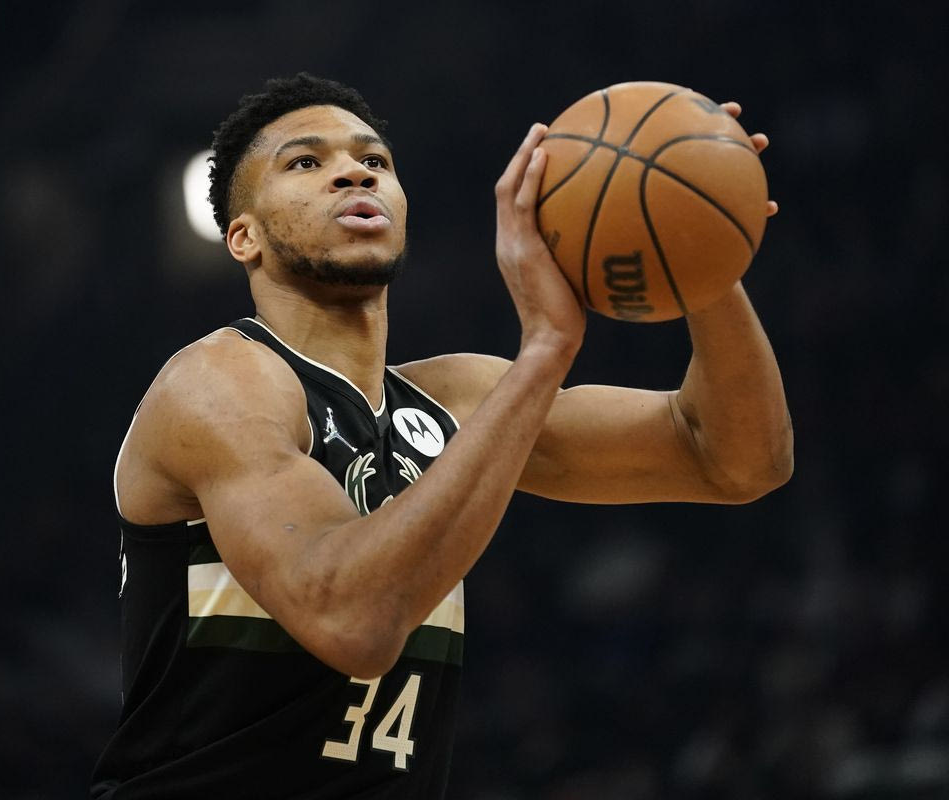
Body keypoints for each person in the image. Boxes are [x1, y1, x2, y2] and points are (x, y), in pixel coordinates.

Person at [89, 73, 792, 799]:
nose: (354, 171)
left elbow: (733, 459)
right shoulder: (219, 384)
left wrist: (700, 237)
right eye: (305, 162)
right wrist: (546, 348)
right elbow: (352, 620)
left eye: (375, 160)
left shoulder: (458, 398)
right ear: (245, 238)